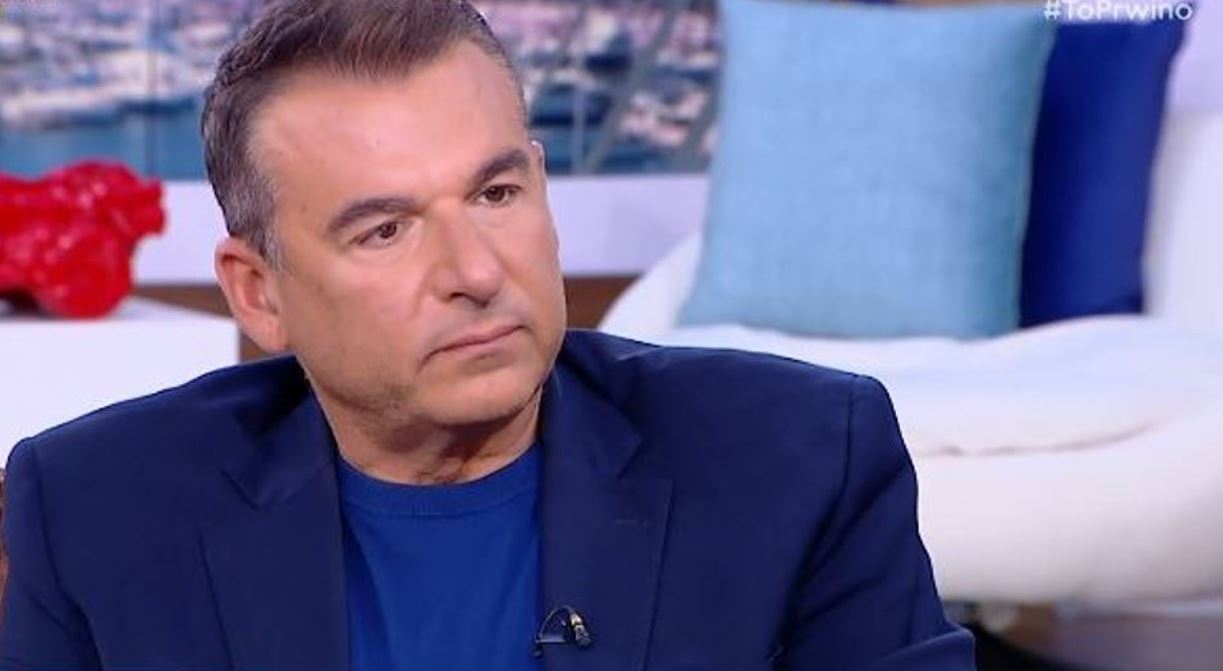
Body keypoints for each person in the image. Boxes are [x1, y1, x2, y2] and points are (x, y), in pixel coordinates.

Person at [0, 1, 975, 669]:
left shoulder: (800, 459)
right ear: (260, 294)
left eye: (496, 193)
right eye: (385, 229)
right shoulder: (96, 510)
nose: (474, 270)